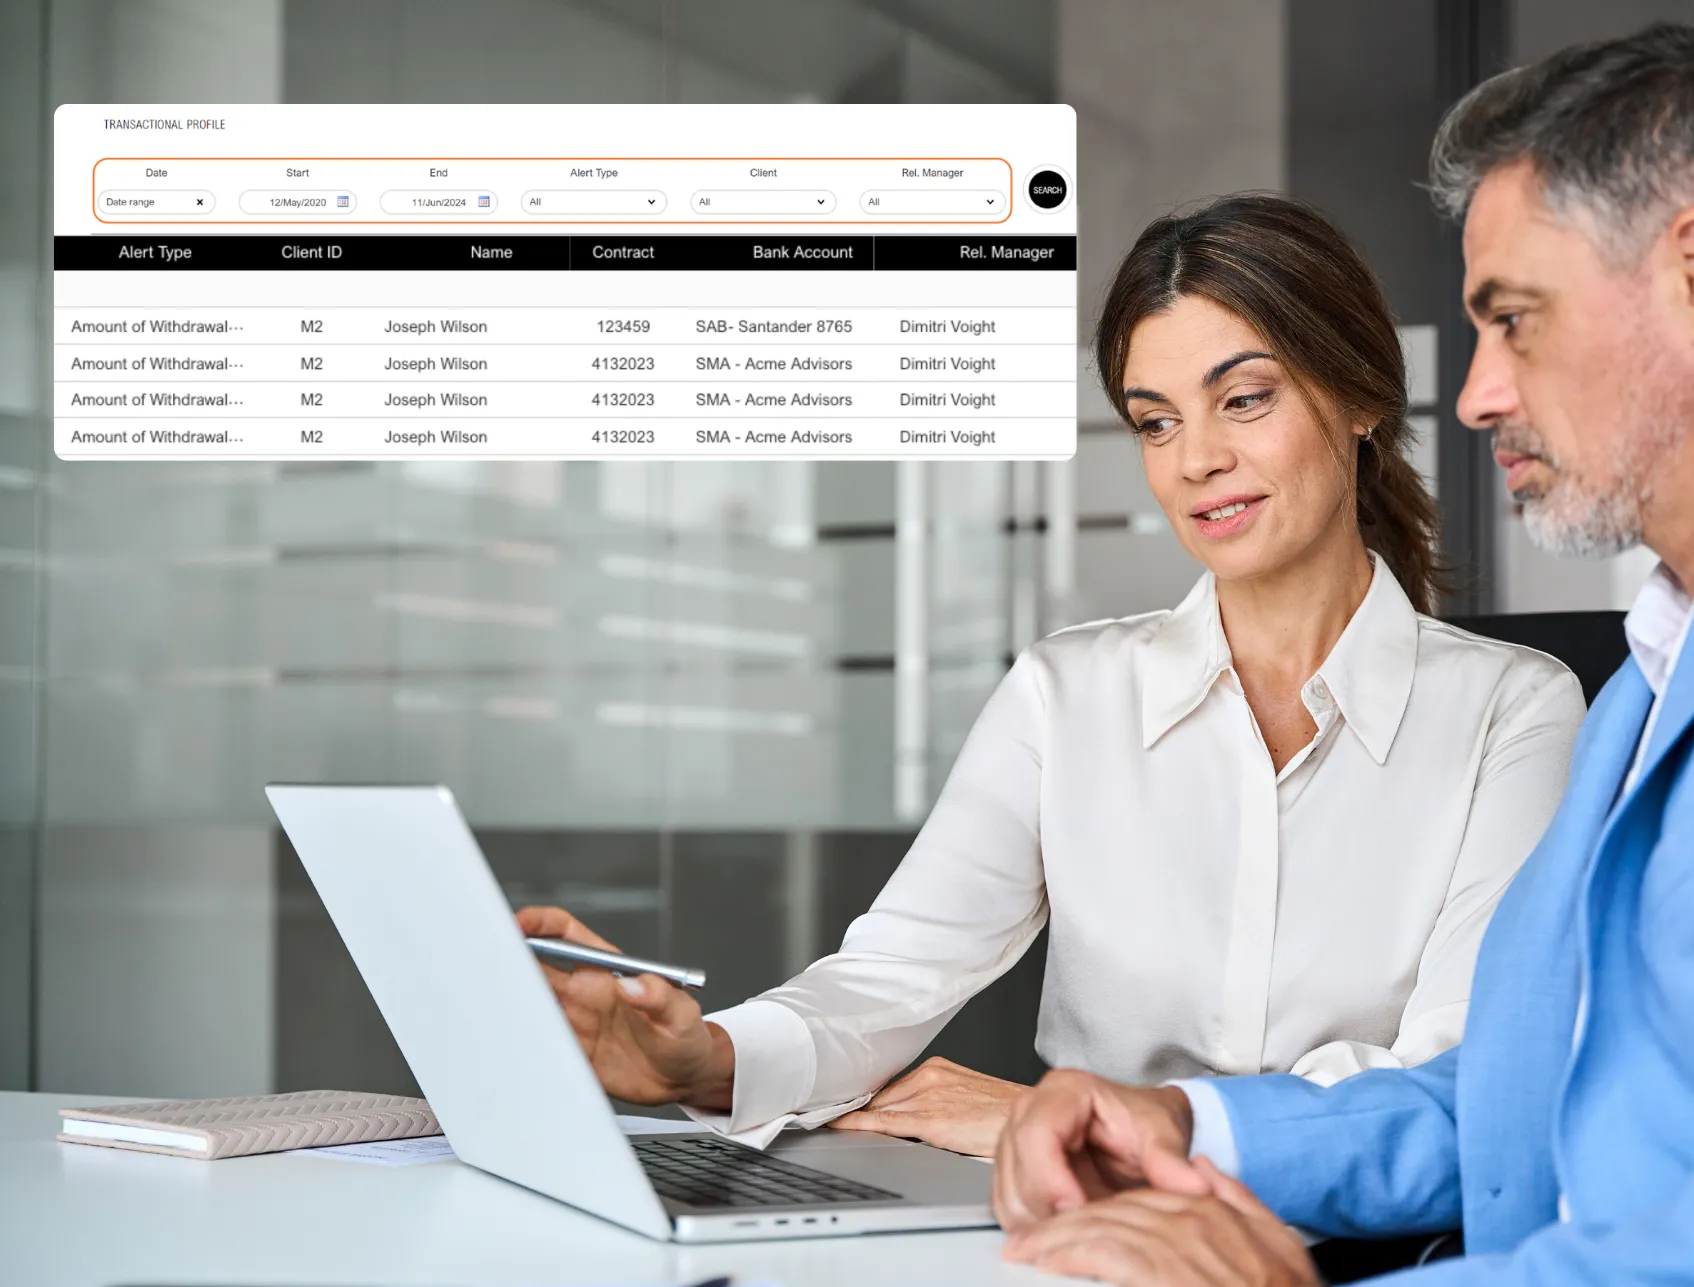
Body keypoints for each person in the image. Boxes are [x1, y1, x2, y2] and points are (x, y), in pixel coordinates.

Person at [517, 194, 1583, 1156]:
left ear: (1359, 402)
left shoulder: (1513, 711)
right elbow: (893, 974)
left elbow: (1459, 1070)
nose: (1191, 460)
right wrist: (709, 1060)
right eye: (1154, 420)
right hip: (1075, 1239)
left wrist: (1068, 1121)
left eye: (1242, 399)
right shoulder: (1063, 694)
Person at [989, 22, 1694, 1287]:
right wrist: (1189, 1125)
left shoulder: (1536, 708)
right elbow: (1501, 1103)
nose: (1474, 396)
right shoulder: (1645, 686)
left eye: (1513, 321)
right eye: (1155, 420)